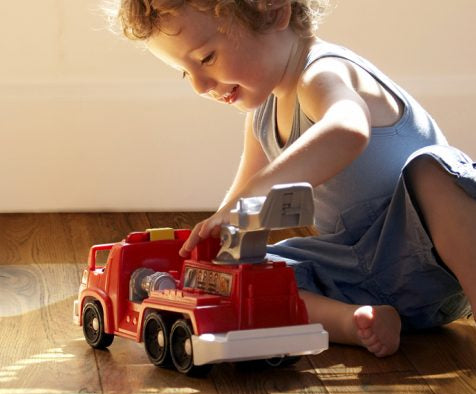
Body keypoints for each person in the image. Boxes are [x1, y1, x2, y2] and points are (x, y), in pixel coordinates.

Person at [110, 0, 476, 357]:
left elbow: (348, 130)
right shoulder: (261, 119)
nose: (200, 85)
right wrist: (213, 247)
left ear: (272, 10)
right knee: (244, 277)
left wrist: (257, 190)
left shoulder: (322, 73)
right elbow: (240, 207)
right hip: (354, 272)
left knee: (434, 170)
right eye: (185, 72)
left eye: (206, 58)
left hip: (430, 256)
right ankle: (354, 323)